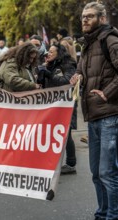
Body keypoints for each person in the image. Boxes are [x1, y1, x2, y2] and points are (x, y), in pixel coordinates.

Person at [70, 2, 118, 219]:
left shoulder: (110, 40)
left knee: (108, 173)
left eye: (90, 16)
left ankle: (112, 215)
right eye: (83, 17)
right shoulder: (87, 44)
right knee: (96, 173)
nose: (85, 20)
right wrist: (77, 77)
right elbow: (81, 71)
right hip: (93, 116)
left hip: (110, 115)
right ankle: (102, 213)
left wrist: (107, 92)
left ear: (102, 18)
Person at [36, 43, 77, 174]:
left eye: (52, 52)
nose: (48, 53)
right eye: (48, 51)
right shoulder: (49, 65)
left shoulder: (68, 65)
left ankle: (71, 163)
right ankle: (51, 162)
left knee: (66, 133)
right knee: (52, 133)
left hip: (65, 105)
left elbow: (66, 82)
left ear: (59, 54)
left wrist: (49, 74)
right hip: (53, 104)